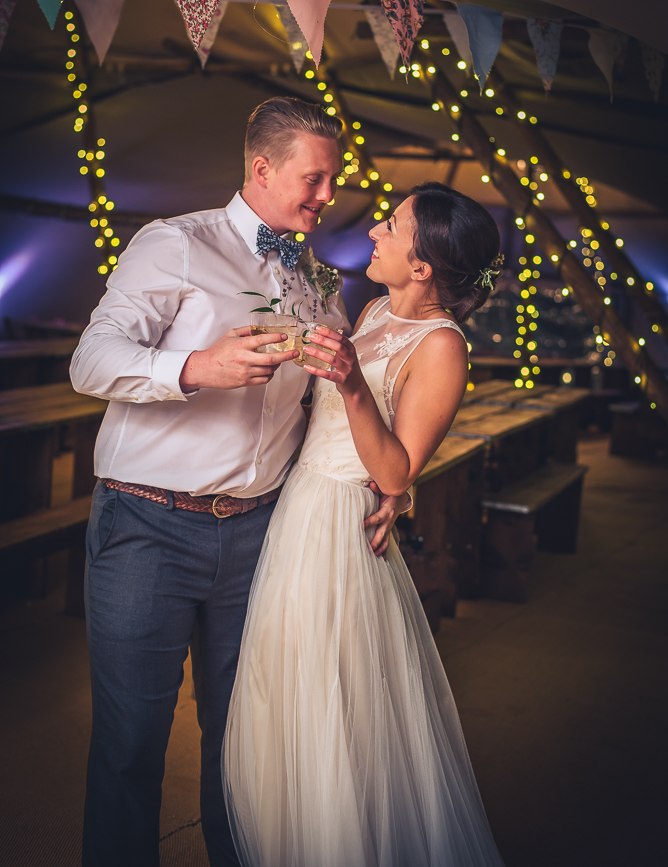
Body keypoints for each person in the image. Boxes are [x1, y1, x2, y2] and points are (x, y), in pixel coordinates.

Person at [70, 97, 408, 867]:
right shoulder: (175, 246)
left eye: (332, 181)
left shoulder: (323, 284)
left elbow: (332, 405)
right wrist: (197, 367)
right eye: (314, 180)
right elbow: (89, 362)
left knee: (246, 742)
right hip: (147, 526)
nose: (328, 197)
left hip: (262, 534)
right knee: (130, 745)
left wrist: (386, 481)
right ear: (262, 169)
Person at [223, 181, 506, 867]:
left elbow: (396, 471)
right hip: (297, 507)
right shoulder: (376, 308)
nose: (374, 231)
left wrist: (352, 386)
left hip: (338, 530)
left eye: (392, 225)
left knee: (332, 712)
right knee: (278, 695)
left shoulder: (442, 347)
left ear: (423, 266)